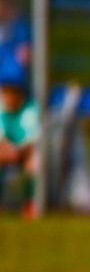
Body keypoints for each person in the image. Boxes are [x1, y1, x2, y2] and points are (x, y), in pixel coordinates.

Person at [0, 61, 38, 215]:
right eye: (6, 91)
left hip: (23, 152)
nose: (9, 96)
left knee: (34, 161)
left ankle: (30, 202)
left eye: (12, 92)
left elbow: (31, 140)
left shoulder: (30, 109)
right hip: (5, 151)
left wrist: (18, 152)